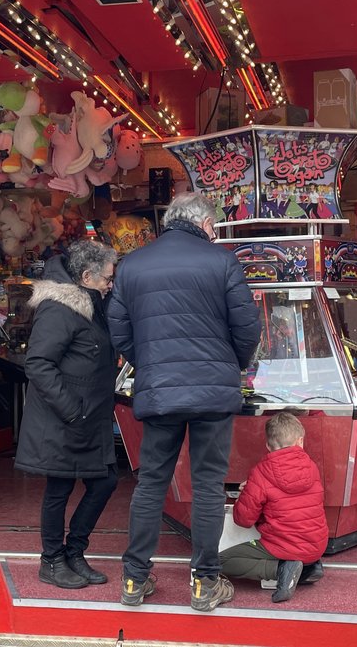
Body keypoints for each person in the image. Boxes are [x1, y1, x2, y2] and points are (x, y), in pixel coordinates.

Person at [108, 192, 261, 612]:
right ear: (205, 224)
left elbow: (118, 328)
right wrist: (231, 365)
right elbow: (247, 326)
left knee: (152, 481)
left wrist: (150, 363)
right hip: (213, 390)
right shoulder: (221, 261)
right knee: (209, 484)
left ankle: (135, 580)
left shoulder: (133, 264)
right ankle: (204, 583)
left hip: (160, 389)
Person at [15, 241, 120, 590]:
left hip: (90, 417)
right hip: (66, 418)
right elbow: (38, 364)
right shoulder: (59, 308)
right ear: (87, 276)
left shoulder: (95, 303)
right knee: (59, 488)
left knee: (105, 481)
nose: (111, 282)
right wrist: (72, 411)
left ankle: (74, 551)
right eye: (107, 277)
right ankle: (52, 560)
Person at [219, 412, 328, 603]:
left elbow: (243, 520)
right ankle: (309, 567)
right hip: (317, 545)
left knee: (218, 562)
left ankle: (281, 570)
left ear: (268, 446)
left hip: (283, 545)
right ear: (300, 441)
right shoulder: (311, 466)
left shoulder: (261, 473)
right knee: (296, 549)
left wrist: (247, 492)